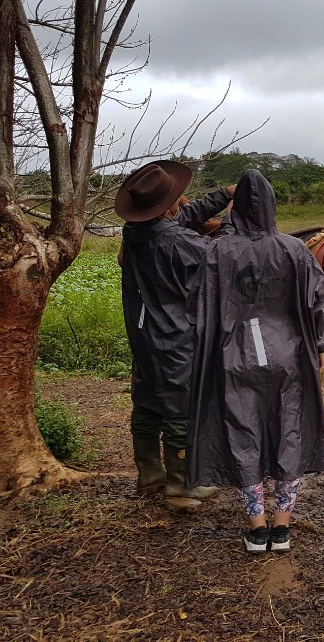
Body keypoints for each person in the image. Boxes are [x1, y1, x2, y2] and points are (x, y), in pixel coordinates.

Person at [187, 169, 324, 555]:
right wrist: (320, 344)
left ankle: (256, 529)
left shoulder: (217, 251)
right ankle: (281, 529)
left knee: (243, 433)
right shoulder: (295, 250)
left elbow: (199, 305)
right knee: (289, 431)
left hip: (234, 356)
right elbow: (316, 301)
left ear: (236, 209)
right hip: (288, 356)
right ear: (271, 205)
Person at [115, 160, 233, 506]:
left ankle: (150, 474)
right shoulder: (178, 241)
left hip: (143, 333)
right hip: (175, 336)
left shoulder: (134, 231)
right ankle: (181, 484)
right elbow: (223, 256)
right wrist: (232, 219)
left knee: (146, 401)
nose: (183, 202)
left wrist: (223, 195)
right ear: (168, 205)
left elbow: (180, 218)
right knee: (181, 407)